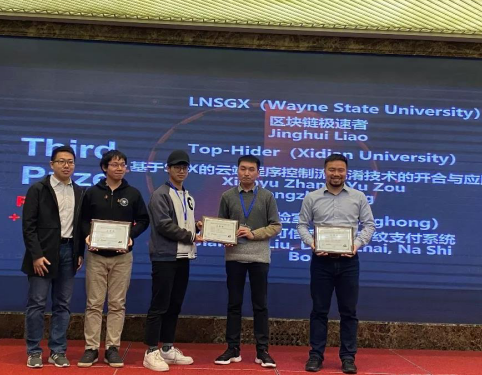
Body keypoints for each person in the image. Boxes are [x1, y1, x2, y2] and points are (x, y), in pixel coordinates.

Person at [297, 154, 375, 374]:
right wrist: (312, 243)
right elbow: (302, 225)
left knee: (348, 312)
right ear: (325, 171)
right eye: (332, 169)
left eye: (340, 170)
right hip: (321, 262)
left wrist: (356, 244)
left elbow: (369, 225)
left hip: (349, 262)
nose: (336, 174)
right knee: (319, 311)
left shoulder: (358, 197)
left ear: (346, 172)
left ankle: (348, 357)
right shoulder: (312, 197)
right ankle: (316, 355)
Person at [77, 150, 150, 368]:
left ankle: (112, 348)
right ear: (104, 167)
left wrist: (131, 236)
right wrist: (87, 235)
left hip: (122, 256)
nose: (119, 168)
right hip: (96, 256)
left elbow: (144, 220)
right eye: (115, 164)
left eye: (123, 164)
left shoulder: (133, 193)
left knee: (117, 303)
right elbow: (82, 220)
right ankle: (91, 348)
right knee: (94, 303)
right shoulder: (92, 193)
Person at [214, 155, 282, 368]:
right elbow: (220, 225)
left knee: (260, 305)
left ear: (258, 173)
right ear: (237, 171)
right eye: (243, 169)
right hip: (234, 256)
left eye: (251, 169)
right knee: (234, 304)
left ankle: (262, 351)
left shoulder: (267, 196)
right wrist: (224, 237)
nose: (246, 173)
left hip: (259, 257)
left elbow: (276, 225)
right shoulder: (227, 196)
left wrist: (254, 234)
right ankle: (232, 349)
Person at [22, 145, 85, 368]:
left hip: (69, 252)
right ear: (52, 164)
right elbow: (28, 226)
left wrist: (79, 253)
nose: (66, 165)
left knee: (63, 305)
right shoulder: (38, 189)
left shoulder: (79, 191)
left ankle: (58, 351)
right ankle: (34, 351)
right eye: (61, 161)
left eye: (70, 162)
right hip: (43, 254)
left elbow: (80, 226)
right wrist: (36, 255)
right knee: (37, 304)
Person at [142, 150, 202, 372]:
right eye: (177, 167)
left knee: (174, 304)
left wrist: (197, 227)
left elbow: (185, 223)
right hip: (164, 256)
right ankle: (150, 351)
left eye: (184, 167)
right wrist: (192, 235)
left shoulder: (188, 196)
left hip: (184, 256)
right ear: (168, 169)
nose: (181, 170)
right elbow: (163, 225)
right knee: (159, 305)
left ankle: (167, 347)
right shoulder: (161, 194)